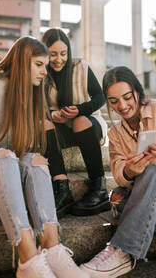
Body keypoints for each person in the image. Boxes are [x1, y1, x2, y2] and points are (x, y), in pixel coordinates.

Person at [0, 36, 90, 278]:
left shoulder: (31, 95)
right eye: (39, 64)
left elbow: (20, 145)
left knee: (35, 161)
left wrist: (33, 156)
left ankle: (52, 248)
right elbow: (2, 152)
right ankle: (28, 261)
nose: (46, 70)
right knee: (4, 158)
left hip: (0, 159)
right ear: (23, 63)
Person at [80, 66, 156, 278]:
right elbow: (118, 172)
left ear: (137, 91)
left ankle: (124, 251)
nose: (123, 106)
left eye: (127, 97)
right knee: (119, 198)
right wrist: (129, 170)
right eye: (114, 101)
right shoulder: (116, 133)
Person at [42, 28, 109, 218]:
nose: (58, 59)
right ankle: (62, 190)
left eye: (63, 54)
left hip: (88, 124)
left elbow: (100, 96)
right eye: (52, 54)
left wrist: (80, 109)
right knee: (44, 125)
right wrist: (52, 114)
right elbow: (33, 106)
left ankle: (99, 188)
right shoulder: (40, 71)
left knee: (80, 120)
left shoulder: (80, 66)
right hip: (58, 130)